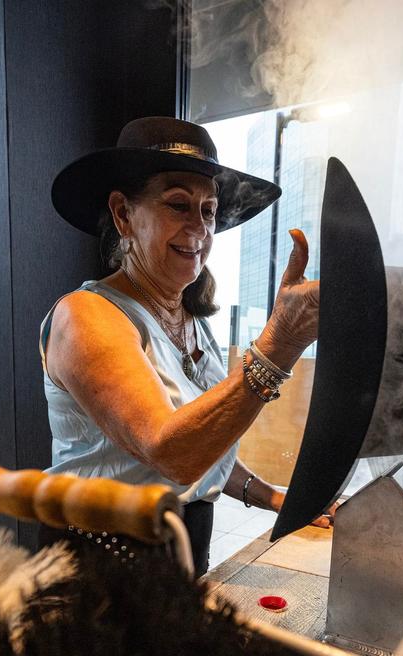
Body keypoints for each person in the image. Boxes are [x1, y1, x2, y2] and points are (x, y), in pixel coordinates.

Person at [39, 117, 324, 576]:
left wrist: (271, 496)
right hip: (99, 568)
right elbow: (170, 453)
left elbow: (204, 436)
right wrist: (281, 342)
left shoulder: (191, 321)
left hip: (182, 558)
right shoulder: (87, 315)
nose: (200, 228)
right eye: (178, 204)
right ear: (123, 214)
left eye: (208, 211)